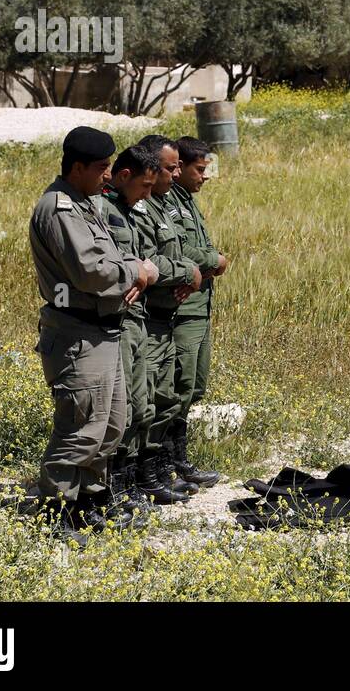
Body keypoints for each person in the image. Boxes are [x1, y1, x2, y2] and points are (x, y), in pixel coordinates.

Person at [28, 126, 151, 534]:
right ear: (77, 167)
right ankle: (54, 513)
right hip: (78, 334)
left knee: (111, 425)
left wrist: (130, 271)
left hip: (103, 330)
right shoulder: (60, 208)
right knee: (81, 429)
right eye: (101, 167)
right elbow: (93, 272)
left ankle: (90, 501)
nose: (109, 175)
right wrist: (139, 271)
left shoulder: (86, 202)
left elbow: (109, 258)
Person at [100, 144, 202, 513]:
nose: (153, 189)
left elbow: (151, 259)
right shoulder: (105, 210)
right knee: (127, 407)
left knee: (145, 403)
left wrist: (177, 270)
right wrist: (182, 271)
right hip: (126, 319)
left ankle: (141, 478)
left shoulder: (130, 207)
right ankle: (118, 485)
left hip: (143, 316)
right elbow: (138, 261)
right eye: (147, 183)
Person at [136, 134, 204, 503]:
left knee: (167, 395)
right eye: (171, 167)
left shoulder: (164, 202)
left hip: (169, 309)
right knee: (144, 401)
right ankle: (139, 477)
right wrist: (188, 271)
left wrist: (186, 275)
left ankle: (160, 467)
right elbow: (147, 259)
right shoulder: (138, 207)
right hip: (148, 316)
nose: (177, 174)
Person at [162, 136, 225, 490]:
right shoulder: (168, 202)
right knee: (178, 387)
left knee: (194, 386)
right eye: (199, 170)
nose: (205, 177)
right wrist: (214, 261)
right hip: (183, 309)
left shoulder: (186, 201)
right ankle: (165, 465)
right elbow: (182, 249)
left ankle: (178, 459)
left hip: (199, 306)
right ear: (180, 167)